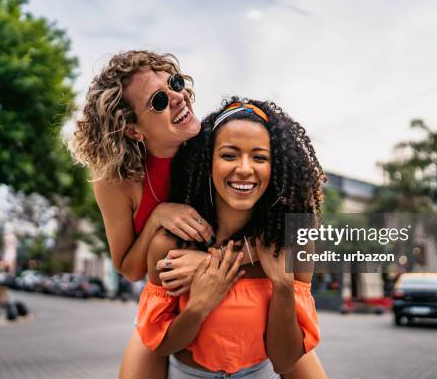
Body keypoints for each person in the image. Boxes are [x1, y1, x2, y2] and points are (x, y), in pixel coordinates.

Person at [137, 98, 328, 378]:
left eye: (260, 157)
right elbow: (163, 345)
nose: (245, 169)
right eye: (229, 155)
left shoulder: (292, 242)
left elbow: (285, 362)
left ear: (274, 168)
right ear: (208, 162)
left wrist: (283, 287)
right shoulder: (171, 243)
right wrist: (199, 305)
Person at [69, 50, 214, 378]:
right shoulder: (115, 180)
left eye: (175, 84)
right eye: (159, 101)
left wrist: (208, 264)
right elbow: (127, 268)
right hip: (165, 306)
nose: (178, 97)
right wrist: (157, 217)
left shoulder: (222, 147)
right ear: (133, 129)